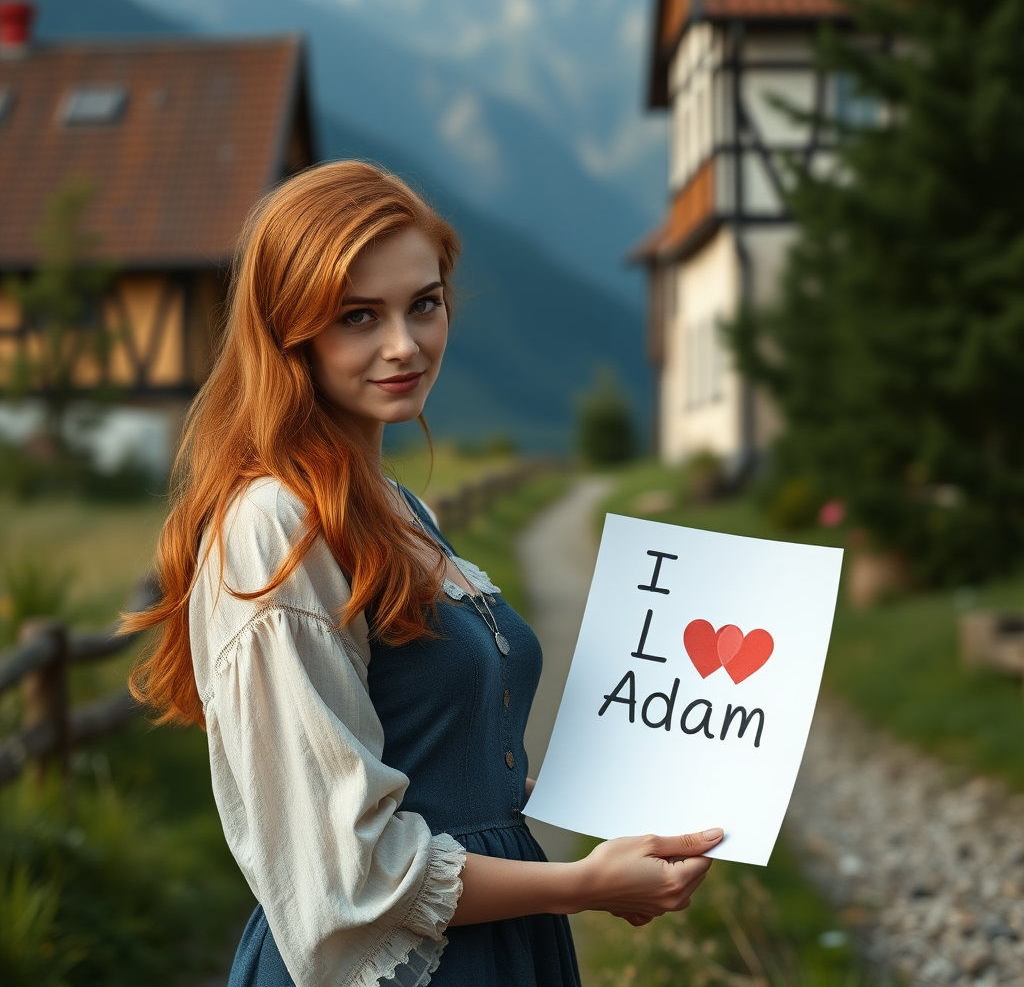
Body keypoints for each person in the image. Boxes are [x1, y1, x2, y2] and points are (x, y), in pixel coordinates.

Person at [126, 160, 723, 987]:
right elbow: (349, 875)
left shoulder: (400, 506)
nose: (404, 345)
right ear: (288, 329)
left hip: (499, 942)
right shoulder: (274, 525)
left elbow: (452, 763)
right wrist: (585, 885)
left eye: (424, 304)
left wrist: (613, 795)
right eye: (358, 317)